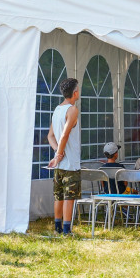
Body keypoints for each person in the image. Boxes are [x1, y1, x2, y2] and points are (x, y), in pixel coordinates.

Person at [46, 77, 81, 235]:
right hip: (70, 163)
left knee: (58, 196)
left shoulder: (57, 110)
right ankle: (67, 230)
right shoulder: (72, 110)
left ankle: (57, 228)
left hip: (59, 164)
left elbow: (50, 136)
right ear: (75, 93)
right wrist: (59, 154)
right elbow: (65, 135)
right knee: (69, 197)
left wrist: (56, 152)